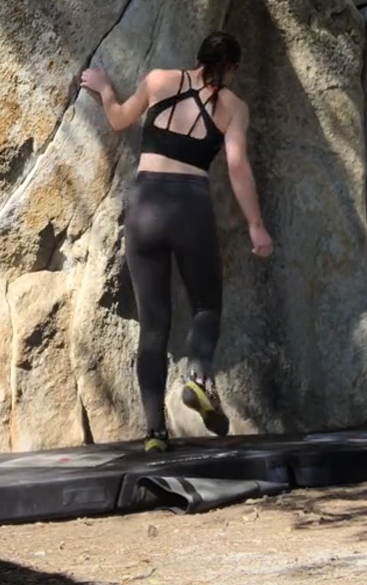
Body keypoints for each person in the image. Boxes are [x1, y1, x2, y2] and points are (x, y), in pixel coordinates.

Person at [79, 31, 274, 451]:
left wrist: (104, 89)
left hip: (144, 204)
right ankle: (198, 376)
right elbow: (238, 168)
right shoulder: (233, 108)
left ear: (198, 58)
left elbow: (117, 120)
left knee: (154, 324)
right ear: (232, 67)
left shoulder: (160, 81)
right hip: (190, 207)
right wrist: (256, 224)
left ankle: (154, 433)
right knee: (206, 304)